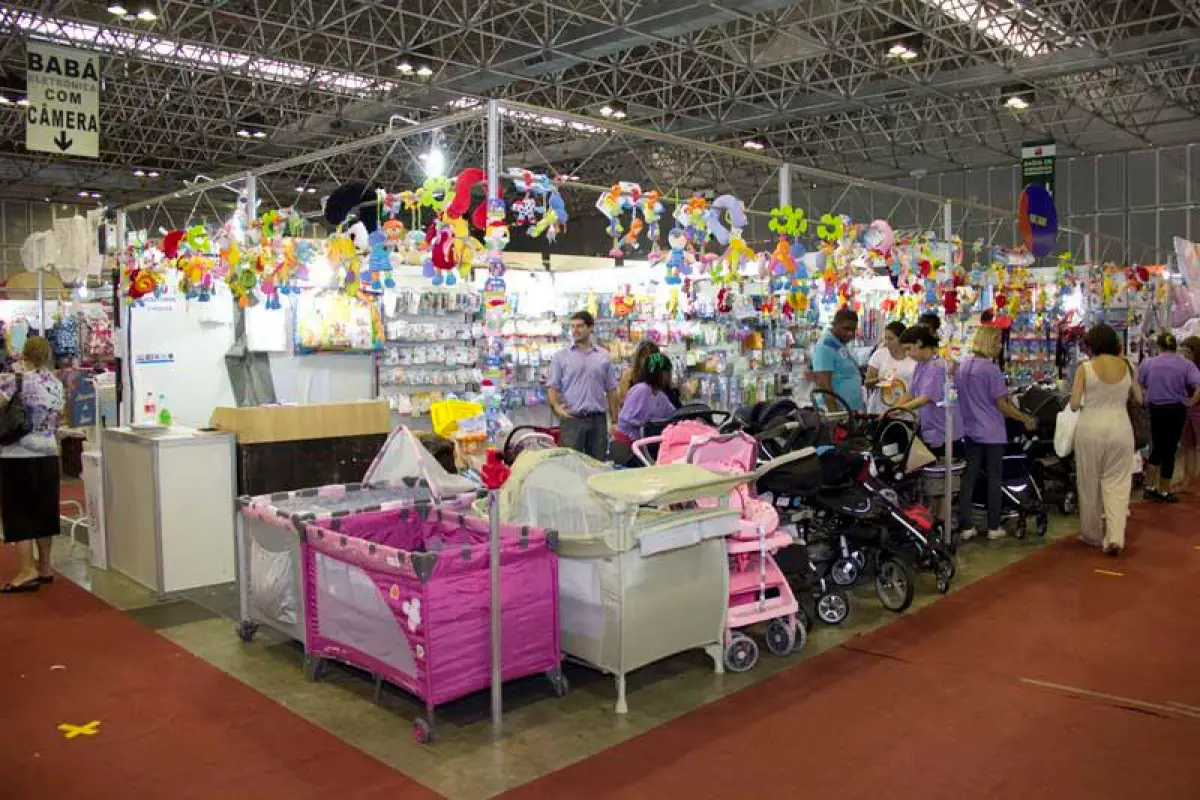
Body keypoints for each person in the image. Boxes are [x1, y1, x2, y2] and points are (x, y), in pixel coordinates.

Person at [955, 326, 1037, 542]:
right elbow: (1002, 404)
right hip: (992, 432)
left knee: (969, 479)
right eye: (998, 342)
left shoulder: (963, 366)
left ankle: (966, 525)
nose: (1000, 346)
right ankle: (993, 526)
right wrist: (1024, 418)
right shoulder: (991, 370)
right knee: (994, 478)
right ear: (989, 343)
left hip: (970, 429)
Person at [0, 337, 66, 593]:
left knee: (19, 513)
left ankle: (26, 570)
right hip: (49, 453)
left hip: (17, 455)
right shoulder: (57, 384)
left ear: (23, 354)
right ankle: (45, 566)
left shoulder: (14, 380)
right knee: (43, 510)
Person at [1071, 324, 1142, 555]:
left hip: (1090, 428)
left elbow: (1073, 403)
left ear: (1092, 345)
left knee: (1089, 481)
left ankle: (1091, 533)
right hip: (1121, 429)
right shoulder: (1129, 366)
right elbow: (1139, 398)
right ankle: (1115, 537)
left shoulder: (1085, 368)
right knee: (1118, 484)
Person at [1136, 332, 1200, 503]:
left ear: (1159, 346)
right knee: (1170, 449)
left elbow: (1138, 383)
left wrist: (1146, 393)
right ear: (1175, 346)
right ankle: (1164, 490)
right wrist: (1191, 402)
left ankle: (1149, 487)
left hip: (1155, 409)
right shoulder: (1186, 365)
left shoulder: (1148, 363)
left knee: (1156, 448)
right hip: (1176, 409)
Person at [548, 311, 618, 461]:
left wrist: (614, 420)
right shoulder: (561, 357)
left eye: (580, 326)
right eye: (573, 327)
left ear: (590, 328)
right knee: (570, 465)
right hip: (572, 419)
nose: (575, 330)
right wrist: (556, 406)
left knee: (597, 464)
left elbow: (611, 389)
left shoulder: (603, 356)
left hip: (597, 420)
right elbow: (552, 385)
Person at [895, 325, 962, 458]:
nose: (907, 354)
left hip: (944, 430)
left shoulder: (936, 366)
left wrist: (900, 409)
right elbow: (911, 392)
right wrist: (894, 408)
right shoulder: (921, 365)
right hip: (931, 427)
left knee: (942, 473)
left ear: (919, 343)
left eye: (909, 349)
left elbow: (925, 398)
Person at [615, 352, 678, 446]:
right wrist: (645, 424)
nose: (669, 376)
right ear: (660, 373)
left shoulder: (660, 395)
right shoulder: (641, 390)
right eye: (668, 372)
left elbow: (673, 414)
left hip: (643, 443)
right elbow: (625, 418)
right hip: (627, 444)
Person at [811, 308, 863, 411]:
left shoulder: (839, 344)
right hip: (836, 413)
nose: (850, 334)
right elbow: (825, 386)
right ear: (835, 324)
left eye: (853, 330)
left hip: (849, 411)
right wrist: (835, 417)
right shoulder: (826, 346)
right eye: (846, 329)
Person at [865, 321, 916, 414]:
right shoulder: (879, 355)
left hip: (905, 411)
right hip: (879, 410)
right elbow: (867, 383)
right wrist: (879, 379)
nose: (887, 342)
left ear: (901, 339)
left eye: (891, 339)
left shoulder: (913, 358)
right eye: (885, 338)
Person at [1175, 336, 1200, 491]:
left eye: (1188, 352)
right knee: (1187, 446)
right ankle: (1187, 480)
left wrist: (1191, 401)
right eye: (1182, 351)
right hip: (1187, 410)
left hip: (1196, 409)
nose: (1184, 355)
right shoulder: (1185, 367)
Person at [617, 340, 660, 408]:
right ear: (638, 357)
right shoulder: (628, 375)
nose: (647, 361)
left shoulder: (658, 377)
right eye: (644, 356)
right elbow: (622, 402)